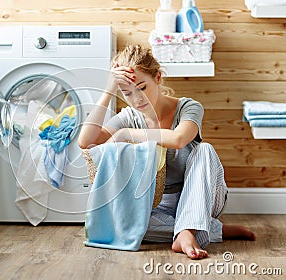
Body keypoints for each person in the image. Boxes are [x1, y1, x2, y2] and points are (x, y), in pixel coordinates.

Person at [78, 45, 256, 259]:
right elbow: (85, 141)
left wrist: (127, 134)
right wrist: (108, 91)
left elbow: (179, 139)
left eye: (142, 88)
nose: (136, 100)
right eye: (127, 93)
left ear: (158, 78)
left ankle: (190, 229)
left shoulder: (188, 107)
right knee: (125, 225)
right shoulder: (129, 116)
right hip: (156, 206)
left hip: (202, 196)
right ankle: (206, 230)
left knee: (205, 149)